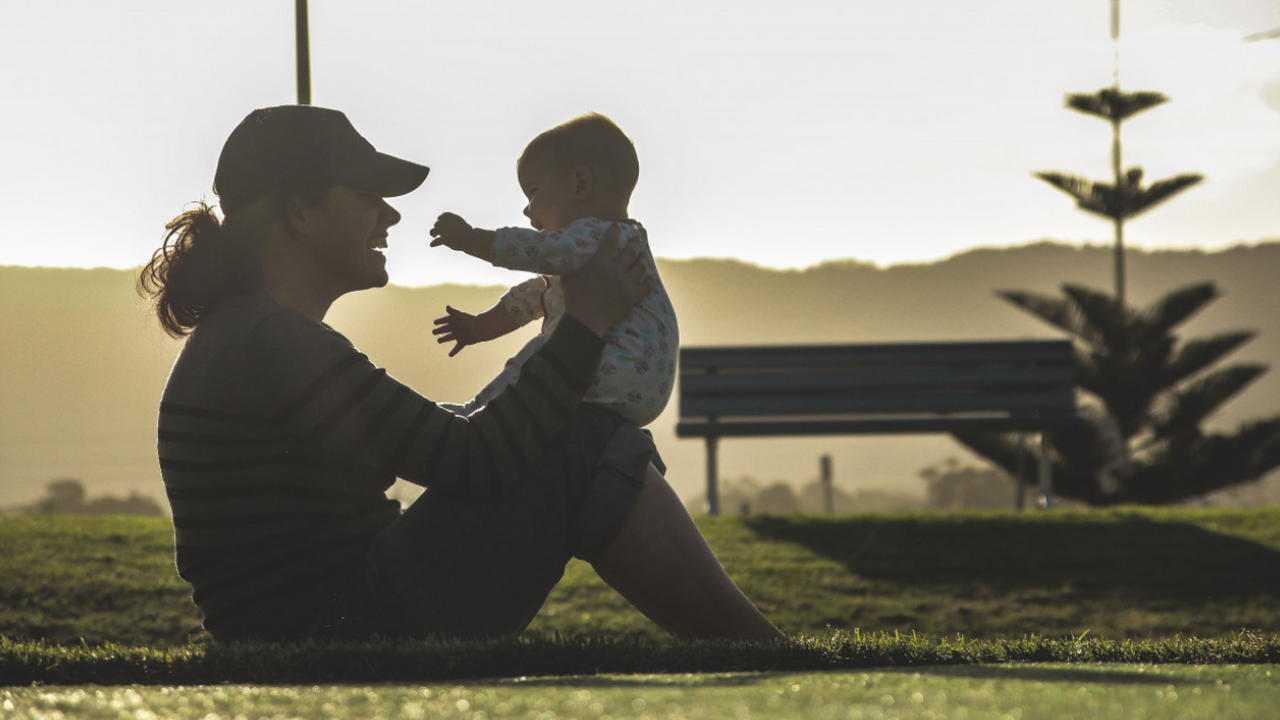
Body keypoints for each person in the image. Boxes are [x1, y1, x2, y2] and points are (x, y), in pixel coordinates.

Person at [138, 104, 783, 643]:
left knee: (581, 433)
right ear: (299, 212)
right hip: (335, 634)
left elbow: (445, 444)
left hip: (326, 622)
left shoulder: (253, 335)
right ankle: (764, 655)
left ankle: (751, 652)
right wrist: (585, 324)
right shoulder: (267, 341)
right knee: (581, 435)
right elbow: (476, 460)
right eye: (369, 198)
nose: (390, 217)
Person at [428, 113, 676, 427]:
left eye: (532, 192)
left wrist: (471, 238)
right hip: (642, 388)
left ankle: (479, 416)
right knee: (550, 352)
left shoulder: (597, 236)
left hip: (614, 370)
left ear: (579, 184)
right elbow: (535, 297)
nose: (527, 209)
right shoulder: (616, 247)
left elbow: (534, 250)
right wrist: (479, 328)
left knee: (539, 358)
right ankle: (478, 412)